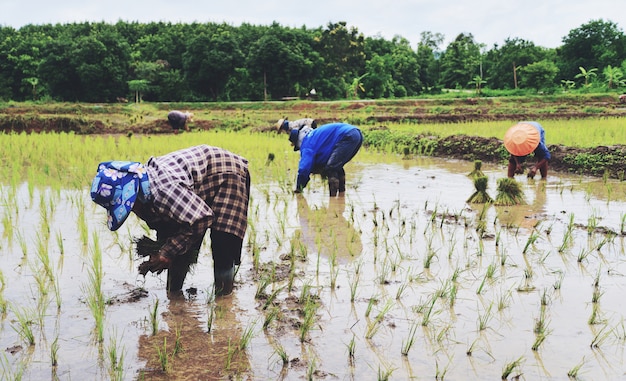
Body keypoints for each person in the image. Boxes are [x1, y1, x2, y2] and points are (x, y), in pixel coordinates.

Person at [90, 145, 250, 296]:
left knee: (223, 245)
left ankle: (224, 302)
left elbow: (201, 219)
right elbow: (175, 226)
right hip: (196, 187)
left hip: (228, 175)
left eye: (131, 205)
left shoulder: (163, 191)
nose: (133, 210)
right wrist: (164, 250)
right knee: (179, 245)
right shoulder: (145, 193)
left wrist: (166, 252)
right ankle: (174, 295)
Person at [287, 122, 363, 196]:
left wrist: (299, 188)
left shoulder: (307, 145)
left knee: (331, 168)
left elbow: (304, 169)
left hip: (347, 136)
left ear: (297, 142)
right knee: (337, 166)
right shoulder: (312, 136)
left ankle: (332, 201)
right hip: (356, 133)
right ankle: (341, 195)